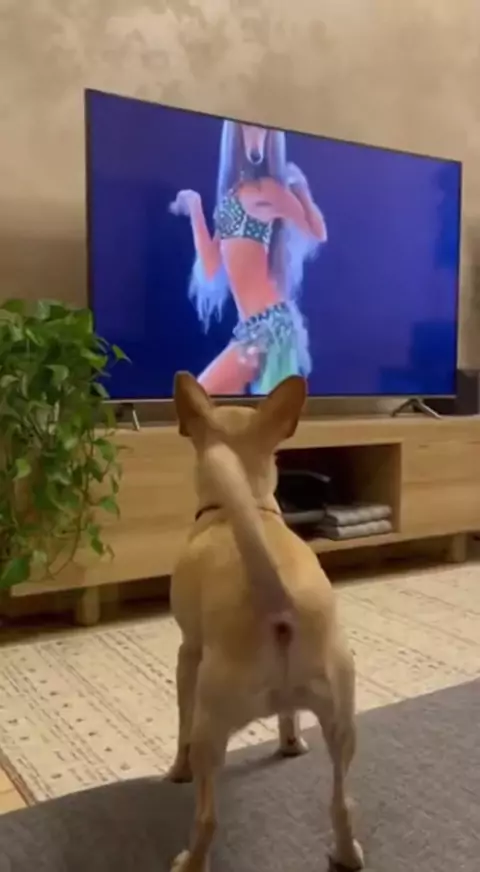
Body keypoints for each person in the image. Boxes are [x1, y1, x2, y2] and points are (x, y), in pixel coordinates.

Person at [169, 120, 327, 394]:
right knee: (211, 403)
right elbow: (211, 265)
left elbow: (317, 232)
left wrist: (301, 189)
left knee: (201, 398)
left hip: (270, 330)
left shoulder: (268, 190)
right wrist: (195, 206)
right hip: (252, 331)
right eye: (246, 128)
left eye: (262, 130)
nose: (255, 137)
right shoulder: (232, 195)